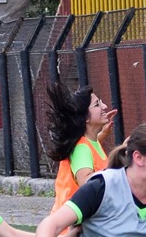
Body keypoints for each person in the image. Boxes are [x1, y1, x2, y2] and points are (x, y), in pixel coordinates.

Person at [46, 78, 115, 208]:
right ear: (86, 118)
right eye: (97, 105)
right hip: (73, 220)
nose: (104, 106)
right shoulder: (81, 148)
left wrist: (102, 135)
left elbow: (90, 152)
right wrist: (117, 173)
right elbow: (85, 182)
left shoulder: (89, 142)